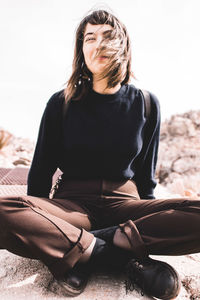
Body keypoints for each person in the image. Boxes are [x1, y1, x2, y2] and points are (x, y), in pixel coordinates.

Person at [1, 9, 200, 300]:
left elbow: (146, 178)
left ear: (123, 45)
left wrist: (151, 225)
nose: (98, 45)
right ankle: (117, 254)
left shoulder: (146, 103)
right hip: (71, 209)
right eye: (89, 38)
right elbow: (41, 173)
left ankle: (86, 250)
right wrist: (40, 220)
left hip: (126, 207)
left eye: (108, 36)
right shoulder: (61, 103)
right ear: (81, 50)